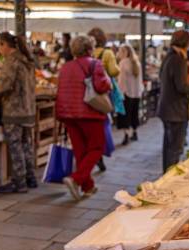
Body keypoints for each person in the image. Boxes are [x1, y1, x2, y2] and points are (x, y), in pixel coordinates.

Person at [56, 35, 111, 201]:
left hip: (67, 114)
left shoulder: (65, 67)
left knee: (80, 151)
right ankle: (76, 179)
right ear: (89, 49)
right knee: (96, 148)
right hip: (89, 112)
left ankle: (88, 187)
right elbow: (102, 86)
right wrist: (108, 80)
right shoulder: (95, 64)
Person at [0, 32, 37, 194]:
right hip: (28, 109)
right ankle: (31, 178)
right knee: (26, 144)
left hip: (14, 110)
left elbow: (3, 86)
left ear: (4, 44)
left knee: (16, 146)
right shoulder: (26, 59)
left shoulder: (11, 61)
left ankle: (19, 183)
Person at [157, 30, 189, 173]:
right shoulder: (178, 59)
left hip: (167, 108)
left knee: (169, 147)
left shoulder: (169, 56)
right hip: (175, 110)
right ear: (186, 42)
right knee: (175, 148)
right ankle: (170, 177)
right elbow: (182, 86)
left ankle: (166, 175)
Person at [88, 27, 120, 172]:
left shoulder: (86, 54)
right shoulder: (107, 53)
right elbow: (113, 71)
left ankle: (93, 155)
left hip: (88, 95)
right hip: (102, 94)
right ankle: (99, 154)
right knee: (103, 123)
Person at [116, 44, 144, 145]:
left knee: (125, 115)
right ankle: (135, 133)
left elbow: (121, 80)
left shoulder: (123, 63)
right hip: (136, 93)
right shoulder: (137, 63)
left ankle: (126, 135)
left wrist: (119, 92)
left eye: (120, 51)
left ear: (125, 52)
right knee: (134, 114)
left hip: (126, 93)